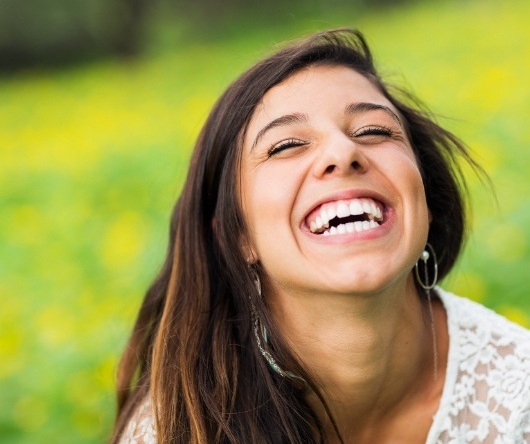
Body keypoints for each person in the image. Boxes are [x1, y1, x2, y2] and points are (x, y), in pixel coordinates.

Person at [111, 29, 530, 444]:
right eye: (287, 145)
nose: (342, 153)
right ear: (237, 238)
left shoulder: (519, 394)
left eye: (374, 131)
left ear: (426, 197)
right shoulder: (175, 430)